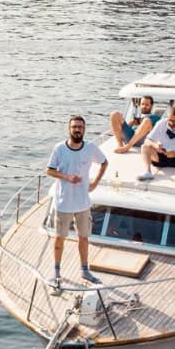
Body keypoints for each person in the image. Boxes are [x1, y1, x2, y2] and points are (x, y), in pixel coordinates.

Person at [45, 115, 108, 287]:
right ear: (69, 129)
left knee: (83, 238)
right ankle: (56, 272)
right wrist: (67, 177)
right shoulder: (59, 149)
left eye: (80, 127)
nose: (77, 130)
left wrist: (95, 183)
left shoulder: (91, 147)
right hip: (63, 203)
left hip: (83, 203)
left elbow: (104, 163)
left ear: (84, 129)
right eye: (74, 127)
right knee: (60, 238)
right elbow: (49, 170)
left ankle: (85, 271)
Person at [137, 105, 175, 185]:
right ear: (167, 117)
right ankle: (148, 171)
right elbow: (147, 140)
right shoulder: (161, 123)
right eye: (170, 120)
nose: (172, 123)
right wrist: (155, 146)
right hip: (160, 156)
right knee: (144, 147)